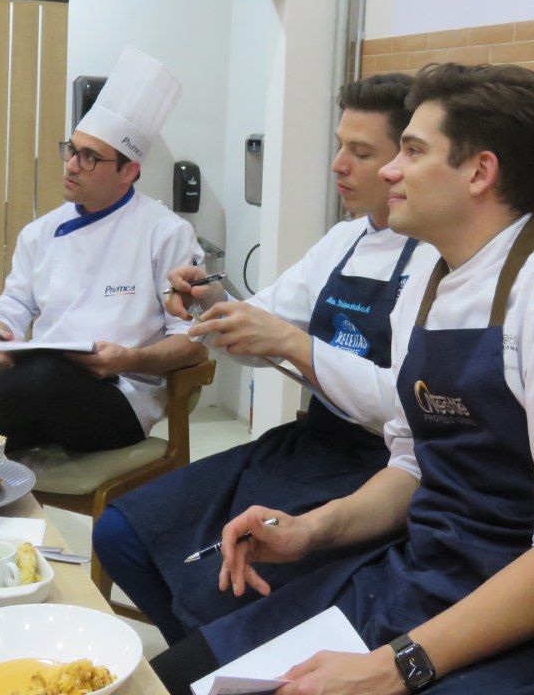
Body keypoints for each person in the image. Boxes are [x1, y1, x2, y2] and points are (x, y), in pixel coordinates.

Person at [151, 62, 534, 695]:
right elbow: (415, 465)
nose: (389, 172)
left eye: (411, 151)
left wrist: (392, 667)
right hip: (431, 575)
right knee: (180, 677)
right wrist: (311, 530)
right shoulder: (428, 289)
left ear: (479, 172)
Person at [93, 74, 437, 642]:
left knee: (233, 584)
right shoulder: (344, 241)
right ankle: (200, 652)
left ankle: (210, 655)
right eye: (340, 146)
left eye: (361, 153)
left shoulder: (435, 262)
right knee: (121, 534)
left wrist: (293, 344)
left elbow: (407, 408)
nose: (338, 165)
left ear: (406, 162)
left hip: (375, 469)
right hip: (312, 443)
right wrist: (212, 304)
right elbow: (263, 324)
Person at [0, 47, 206, 452]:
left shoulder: (166, 233)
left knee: (29, 386)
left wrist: (127, 359)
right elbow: (12, 306)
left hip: (121, 397)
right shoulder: (40, 232)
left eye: (90, 158)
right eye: (71, 150)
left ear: (129, 171)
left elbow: (191, 341)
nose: (71, 165)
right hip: (40, 386)